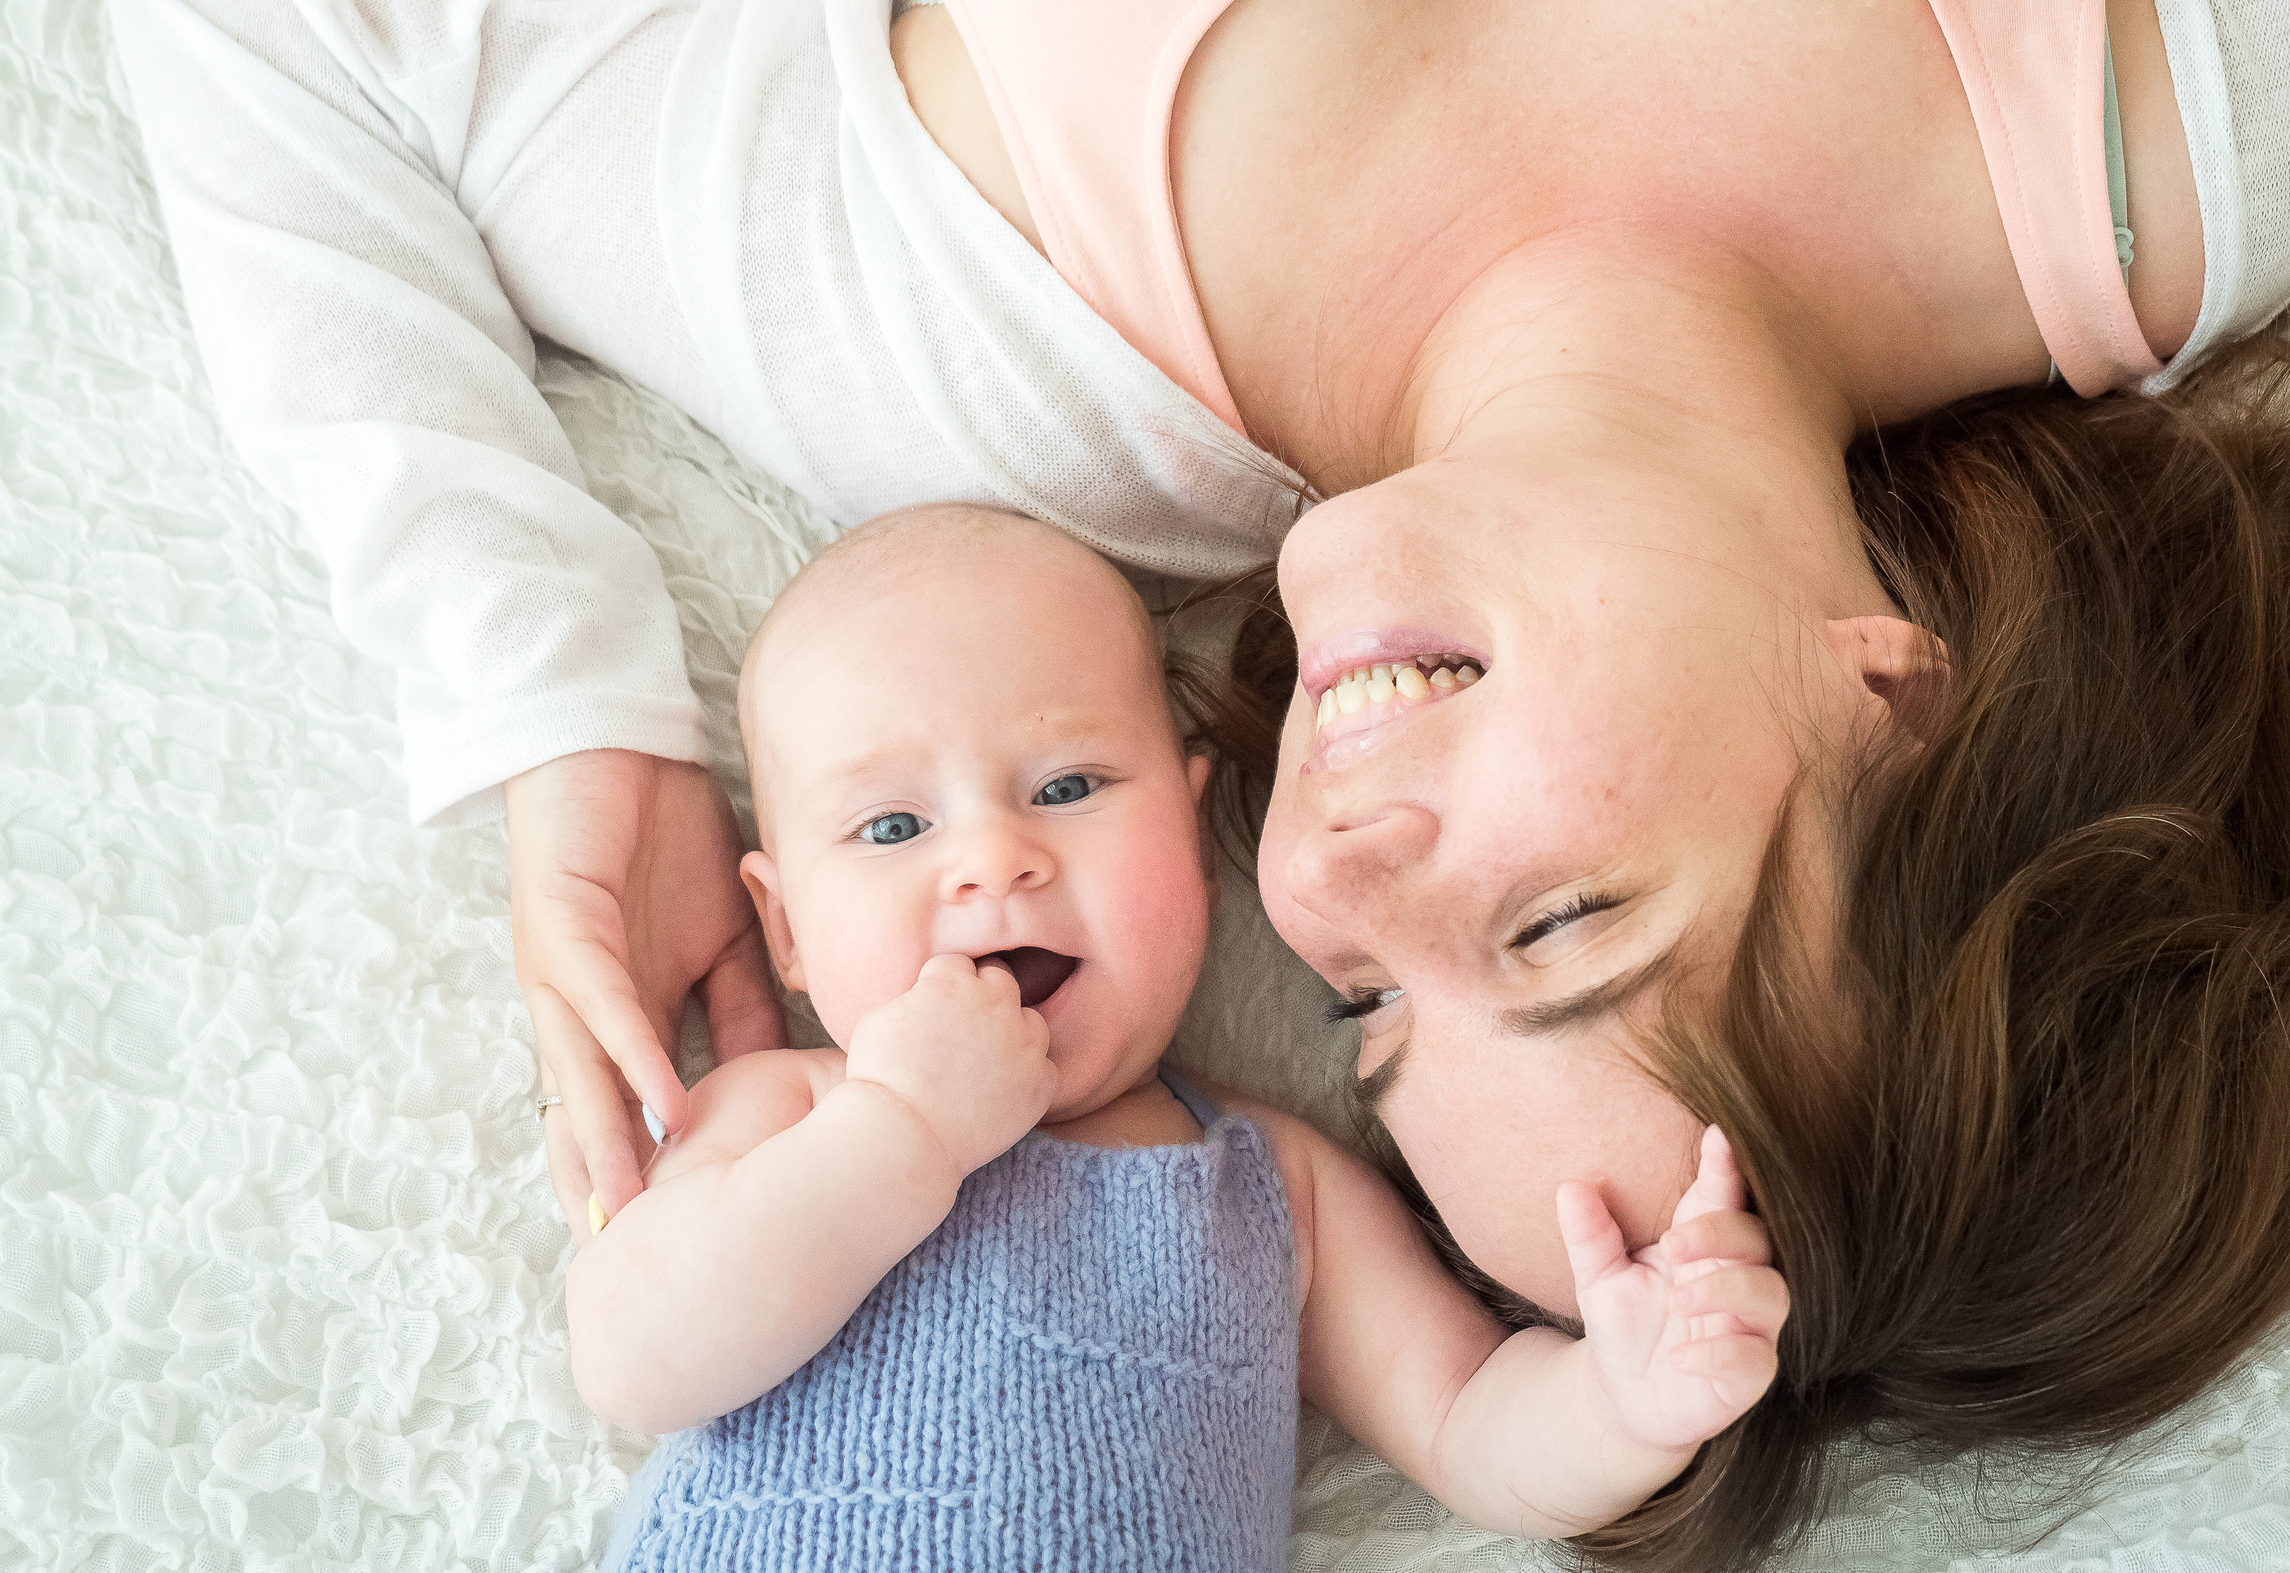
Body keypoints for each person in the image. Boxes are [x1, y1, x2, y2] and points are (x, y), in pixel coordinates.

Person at [100, 0, 2290, 1560]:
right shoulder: (2187, 127)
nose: (1321, 874)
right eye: (1564, 918)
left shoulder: (971, 353)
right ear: (1902, 701)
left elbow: (268, 34)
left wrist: (567, 718)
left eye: (1366, 1010)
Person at [572, 504, 1784, 1570]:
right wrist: (904, 1130)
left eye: (1067, 787)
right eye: (891, 829)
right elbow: (634, 1357)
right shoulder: (786, 1109)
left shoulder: (1273, 1186)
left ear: (1196, 832)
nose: (994, 859)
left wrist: (1625, 1404)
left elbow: (1467, 1416)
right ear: (784, 929)